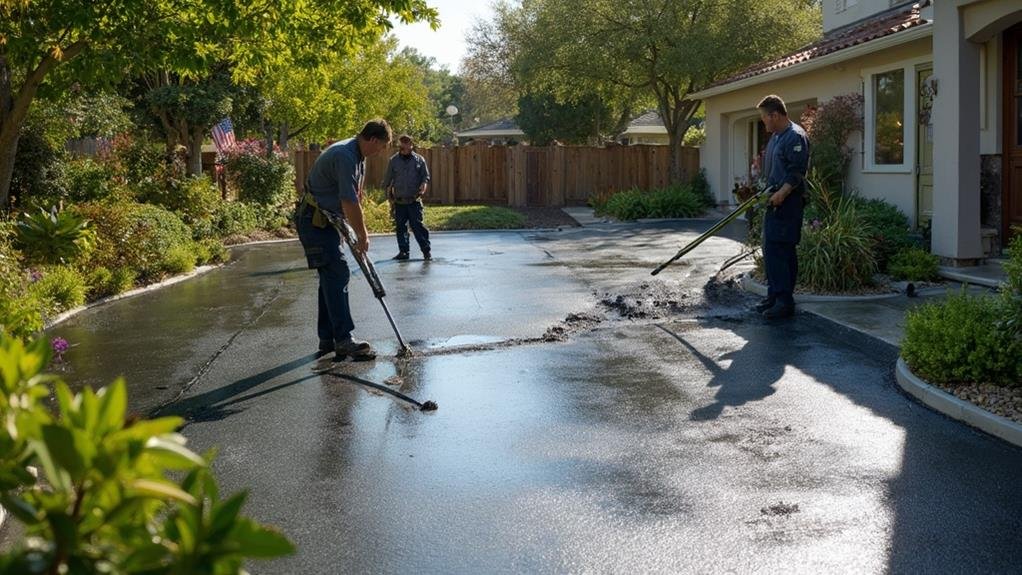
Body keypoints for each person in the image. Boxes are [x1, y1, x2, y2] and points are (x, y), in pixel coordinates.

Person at [296, 119, 392, 359]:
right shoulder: (345, 155)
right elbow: (349, 200)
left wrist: (349, 230)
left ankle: (328, 338)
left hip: (327, 221)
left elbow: (348, 200)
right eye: (381, 146)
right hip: (314, 221)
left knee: (330, 276)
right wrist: (362, 235)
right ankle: (344, 339)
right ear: (372, 139)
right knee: (337, 271)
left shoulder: (358, 155)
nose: (380, 152)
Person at [755, 95, 810, 319]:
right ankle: (773, 296)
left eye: (764, 118)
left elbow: (796, 172)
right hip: (773, 200)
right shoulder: (777, 137)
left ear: (775, 115)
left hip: (788, 204)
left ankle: (785, 301)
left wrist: (782, 193)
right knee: (770, 249)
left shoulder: (795, 137)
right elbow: (774, 171)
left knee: (782, 250)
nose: (764, 123)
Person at [382, 134, 432, 261]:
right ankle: (404, 252)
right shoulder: (393, 161)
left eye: (406, 143)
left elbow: (425, 177)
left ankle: (426, 251)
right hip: (399, 201)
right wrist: (385, 195)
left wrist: (423, 185)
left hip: (414, 200)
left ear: (411, 144)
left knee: (417, 226)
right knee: (400, 227)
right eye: (402, 143)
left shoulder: (419, 160)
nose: (404, 145)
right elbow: (387, 179)